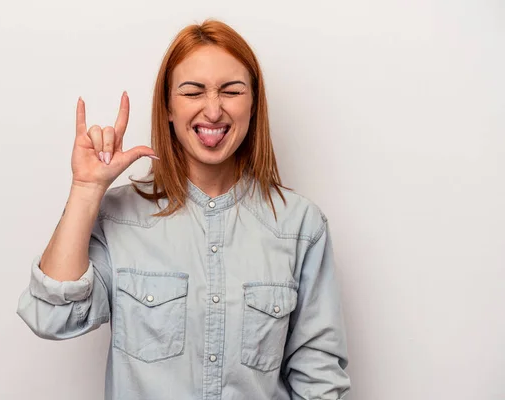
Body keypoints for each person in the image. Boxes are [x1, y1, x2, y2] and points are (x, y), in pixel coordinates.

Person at [17, 19, 351, 400]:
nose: (213, 110)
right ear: (168, 108)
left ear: (253, 105)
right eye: (193, 92)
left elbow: (320, 381)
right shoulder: (118, 217)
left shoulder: (300, 226)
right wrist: (86, 188)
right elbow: (52, 317)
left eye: (232, 90)